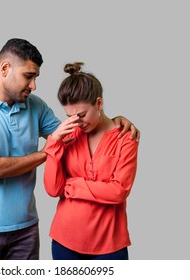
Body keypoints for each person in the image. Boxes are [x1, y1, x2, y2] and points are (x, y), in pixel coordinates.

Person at [0, 39, 139, 260]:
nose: (33, 86)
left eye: (35, 78)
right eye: (28, 76)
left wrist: (116, 120)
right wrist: (48, 152)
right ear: (5, 68)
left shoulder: (36, 106)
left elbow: (73, 132)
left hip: (26, 229)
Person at [44, 62, 139, 260]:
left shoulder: (125, 138)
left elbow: (118, 192)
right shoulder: (69, 136)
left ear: (99, 103)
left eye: (81, 115)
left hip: (109, 244)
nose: (77, 122)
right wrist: (54, 141)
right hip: (64, 240)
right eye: (70, 116)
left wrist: (73, 185)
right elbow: (53, 189)